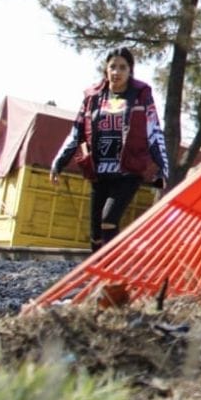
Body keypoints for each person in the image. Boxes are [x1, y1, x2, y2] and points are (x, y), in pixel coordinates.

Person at [50, 47, 169, 252]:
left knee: (108, 220)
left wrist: (163, 167)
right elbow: (76, 131)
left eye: (123, 67)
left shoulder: (141, 96)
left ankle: (112, 269)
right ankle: (100, 277)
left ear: (130, 70)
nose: (117, 72)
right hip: (99, 173)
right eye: (113, 66)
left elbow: (154, 130)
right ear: (106, 69)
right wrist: (58, 163)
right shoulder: (93, 97)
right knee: (96, 234)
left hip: (127, 172)